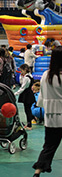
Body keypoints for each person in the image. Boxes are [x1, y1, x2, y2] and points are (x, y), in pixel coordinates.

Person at [33, 46, 62, 177]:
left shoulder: (46, 75)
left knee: (49, 146)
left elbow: (41, 96)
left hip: (50, 116)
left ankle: (38, 170)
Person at [14, 63, 35, 130]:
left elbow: (23, 87)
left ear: (25, 70)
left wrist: (16, 93)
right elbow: (21, 82)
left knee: (27, 110)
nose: (21, 72)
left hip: (27, 95)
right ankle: (31, 120)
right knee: (27, 109)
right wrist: (21, 76)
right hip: (28, 94)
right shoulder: (29, 75)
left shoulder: (26, 78)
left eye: (22, 70)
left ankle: (29, 125)